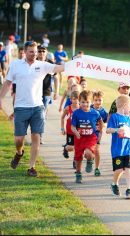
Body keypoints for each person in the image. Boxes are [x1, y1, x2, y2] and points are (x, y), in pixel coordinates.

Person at [0, 41, 65, 177]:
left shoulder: (42, 65)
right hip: (21, 108)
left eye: (36, 52)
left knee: (36, 137)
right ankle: (19, 153)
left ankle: (32, 167)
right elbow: (7, 83)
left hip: (37, 107)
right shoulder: (16, 65)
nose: (35, 54)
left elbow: (60, 68)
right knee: (18, 140)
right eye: (31, 52)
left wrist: (75, 63)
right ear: (25, 51)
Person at [106, 94, 130, 199]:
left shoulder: (127, 119)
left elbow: (129, 132)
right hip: (117, 150)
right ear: (124, 105)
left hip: (127, 149)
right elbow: (108, 130)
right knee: (119, 170)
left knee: (128, 168)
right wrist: (116, 130)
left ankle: (129, 189)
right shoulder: (114, 117)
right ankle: (114, 184)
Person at [71, 90, 103, 183]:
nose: (85, 104)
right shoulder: (76, 113)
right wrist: (76, 132)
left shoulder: (95, 113)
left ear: (91, 102)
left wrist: (100, 131)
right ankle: (78, 173)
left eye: (87, 102)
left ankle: (89, 160)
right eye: (83, 102)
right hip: (79, 138)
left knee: (88, 154)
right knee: (78, 157)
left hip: (91, 137)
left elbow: (100, 121)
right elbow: (72, 126)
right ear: (79, 102)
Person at [37, 44, 59, 144]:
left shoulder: (50, 63)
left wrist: (57, 91)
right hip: (34, 92)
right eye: (39, 51)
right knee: (35, 115)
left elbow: (56, 77)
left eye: (43, 51)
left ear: (46, 52)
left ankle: (39, 137)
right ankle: (35, 135)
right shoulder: (33, 62)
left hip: (46, 92)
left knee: (42, 115)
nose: (41, 53)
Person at [61, 91, 80, 169]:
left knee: (77, 147)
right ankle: (65, 148)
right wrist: (62, 128)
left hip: (78, 132)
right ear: (71, 99)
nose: (76, 101)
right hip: (69, 132)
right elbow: (62, 118)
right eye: (74, 99)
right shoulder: (68, 108)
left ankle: (75, 161)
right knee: (71, 147)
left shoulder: (81, 109)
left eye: (78, 99)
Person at [91, 90, 108, 176]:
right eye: (96, 100)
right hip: (87, 133)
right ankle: (89, 160)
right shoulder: (89, 109)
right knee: (89, 151)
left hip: (97, 134)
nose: (98, 102)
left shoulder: (103, 112)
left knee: (97, 151)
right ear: (92, 100)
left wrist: (103, 125)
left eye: (100, 100)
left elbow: (106, 121)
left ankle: (97, 168)